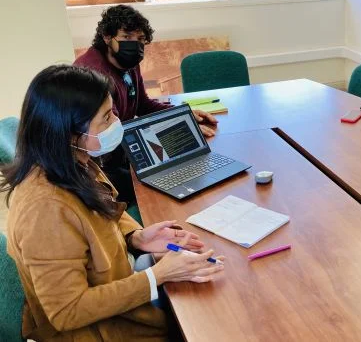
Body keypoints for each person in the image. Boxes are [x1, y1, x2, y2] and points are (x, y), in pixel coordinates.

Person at [2, 65, 225, 340]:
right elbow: (67, 311)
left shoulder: (75, 161)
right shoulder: (45, 209)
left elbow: (107, 209)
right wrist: (156, 276)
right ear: (70, 134)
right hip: (98, 331)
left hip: (121, 296)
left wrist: (137, 237)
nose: (116, 124)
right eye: (106, 118)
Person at [74, 4, 218, 203]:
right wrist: (182, 129)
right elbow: (110, 132)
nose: (135, 45)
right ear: (107, 37)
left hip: (122, 152)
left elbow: (144, 105)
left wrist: (183, 115)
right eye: (126, 37)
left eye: (140, 39)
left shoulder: (127, 63)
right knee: (173, 192)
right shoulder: (94, 75)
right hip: (102, 165)